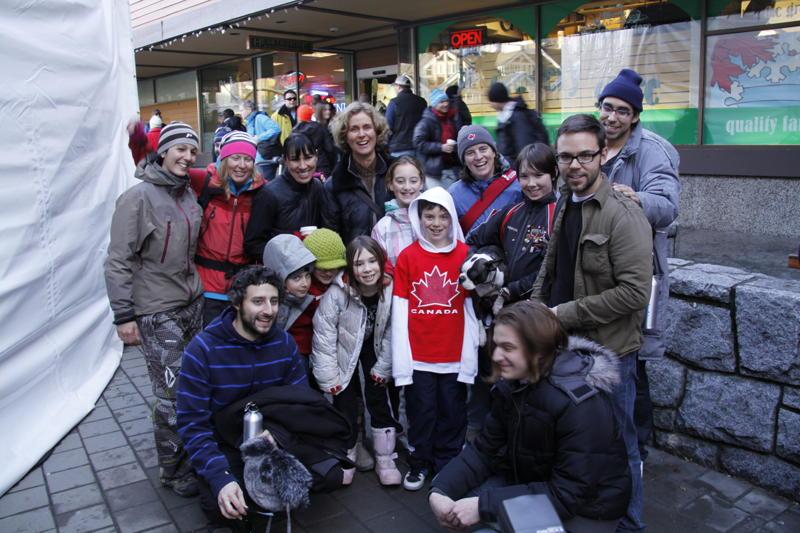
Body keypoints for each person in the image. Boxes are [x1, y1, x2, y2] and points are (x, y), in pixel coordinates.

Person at [531, 114, 653, 532]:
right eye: (566, 157)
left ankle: (631, 523)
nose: (575, 165)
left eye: (585, 155)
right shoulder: (566, 200)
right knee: (574, 441)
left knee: (620, 442)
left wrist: (562, 313)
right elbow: (553, 265)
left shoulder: (623, 214)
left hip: (611, 353)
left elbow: (636, 294)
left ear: (603, 153)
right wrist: (535, 311)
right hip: (565, 346)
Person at [428, 300, 631, 532]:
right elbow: (485, 449)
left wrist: (483, 506)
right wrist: (441, 489)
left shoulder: (582, 406)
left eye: (508, 347)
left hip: (588, 511)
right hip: (531, 482)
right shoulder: (514, 385)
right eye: (495, 345)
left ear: (538, 348)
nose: (495, 356)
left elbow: (567, 495)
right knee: (457, 509)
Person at [105, 121, 204, 497]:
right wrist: (124, 316)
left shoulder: (187, 194)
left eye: (192, 151)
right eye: (180, 149)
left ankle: (194, 456)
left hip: (191, 303)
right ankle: (173, 469)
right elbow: (118, 260)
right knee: (172, 395)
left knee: (194, 387)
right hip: (156, 310)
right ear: (163, 151)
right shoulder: (138, 198)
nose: (187, 157)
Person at [175, 266, 308, 530]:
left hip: (270, 438)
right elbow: (192, 424)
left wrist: (279, 436)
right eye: (257, 301)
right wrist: (220, 478)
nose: (269, 310)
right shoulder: (202, 350)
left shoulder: (284, 343)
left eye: (273, 301)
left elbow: (300, 403)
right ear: (236, 303)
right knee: (224, 509)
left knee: (321, 481)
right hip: (224, 442)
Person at [597, 68, 681, 463]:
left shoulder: (652, 151)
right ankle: (602, 439)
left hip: (637, 273)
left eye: (622, 111)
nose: (612, 117)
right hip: (595, 271)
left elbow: (667, 208)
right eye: (607, 107)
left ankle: (637, 452)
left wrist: (636, 198)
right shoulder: (593, 144)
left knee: (633, 361)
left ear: (635, 116)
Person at [392, 187, 479, 491]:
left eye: (443, 215)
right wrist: (402, 358)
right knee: (421, 413)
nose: (437, 222)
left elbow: (471, 307)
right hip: (420, 357)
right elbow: (400, 309)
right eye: (429, 215)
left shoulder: (465, 255)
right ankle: (419, 462)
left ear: (452, 218)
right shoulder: (408, 257)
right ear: (419, 218)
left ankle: (447, 462)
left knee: (453, 414)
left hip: (453, 356)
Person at [311, 236, 402, 486]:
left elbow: (394, 332)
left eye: (372, 261)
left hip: (375, 346)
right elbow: (324, 336)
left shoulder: (390, 289)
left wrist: (383, 367)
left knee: (379, 399)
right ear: (350, 268)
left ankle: (385, 457)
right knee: (345, 402)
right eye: (359, 264)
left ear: (382, 262)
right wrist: (329, 377)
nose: (367, 269)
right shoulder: (337, 293)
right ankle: (348, 452)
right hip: (345, 348)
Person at [466, 143, 558, 304]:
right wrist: (480, 268)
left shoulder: (559, 216)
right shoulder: (510, 212)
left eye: (538, 175)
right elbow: (473, 240)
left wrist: (510, 291)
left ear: (554, 173)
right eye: (524, 176)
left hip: (538, 312)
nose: (531, 183)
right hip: (503, 311)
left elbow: (553, 271)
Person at [189, 132, 264, 326]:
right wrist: (139, 141)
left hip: (244, 288)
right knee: (211, 349)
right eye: (235, 157)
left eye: (248, 159)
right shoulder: (204, 182)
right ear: (224, 158)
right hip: (207, 287)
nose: (241, 165)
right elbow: (167, 169)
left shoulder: (261, 192)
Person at [244, 133, 332, 260]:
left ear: (316, 156)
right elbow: (253, 244)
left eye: (308, 158)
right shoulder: (269, 194)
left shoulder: (318, 187)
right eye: (295, 159)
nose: (303, 166)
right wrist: (287, 257)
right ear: (285, 160)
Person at [326, 102, 394, 245]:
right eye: (354, 129)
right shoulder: (334, 185)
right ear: (345, 136)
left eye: (367, 127)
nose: (362, 134)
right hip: (357, 263)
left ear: (377, 131)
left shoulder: (396, 172)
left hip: (396, 262)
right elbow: (333, 235)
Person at [448, 125, 523, 237]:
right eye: (470, 152)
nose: (478, 157)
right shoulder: (453, 195)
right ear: (464, 160)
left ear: (494, 152)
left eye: (483, 149)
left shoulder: (519, 184)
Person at [371, 156, 426, 267]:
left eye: (413, 181)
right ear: (390, 184)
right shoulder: (382, 228)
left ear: (421, 183)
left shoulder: (435, 219)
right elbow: (381, 269)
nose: (407, 187)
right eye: (400, 181)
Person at [487, 82, 549, 168]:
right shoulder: (506, 115)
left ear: (496, 100)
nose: (490, 105)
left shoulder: (517, 116)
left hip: (518, 170)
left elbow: (524, 146)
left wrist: (521, 172)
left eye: (491, 101)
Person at [413, 88, 463, 190]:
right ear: (434, 104)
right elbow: (418, 142)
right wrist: (441, 147)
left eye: (446, 101)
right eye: (441, 102)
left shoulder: (453, 117)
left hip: (453, 168)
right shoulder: (426, 122)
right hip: (433, 172)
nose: (445, 104)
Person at [385, 74, 427, 159]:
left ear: (398, 87)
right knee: (419, 172)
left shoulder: (394, 103)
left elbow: (387, 126)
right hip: (420, 146)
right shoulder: (422, 102)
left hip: (400, 148)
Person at [241, 100, 282, 182]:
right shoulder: (250, 121)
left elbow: (276, 129)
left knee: (266, 185)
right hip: (259, 159)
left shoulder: (260, 118)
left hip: (265, 158)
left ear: (249, 109)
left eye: (242, 110)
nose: (241, 112)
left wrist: (258, 138)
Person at [294, 104, 337, 178]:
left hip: (303, 168)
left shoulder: (294, 133)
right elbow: (330, 149)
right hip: (321, 166)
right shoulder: (320, 128)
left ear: (298, 116)